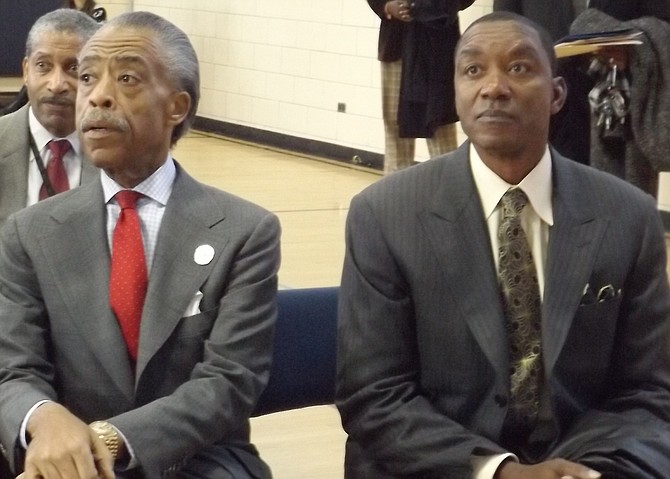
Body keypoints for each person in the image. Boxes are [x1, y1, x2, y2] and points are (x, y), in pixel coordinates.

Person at [336, 11, 670, 479]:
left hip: (587, 457)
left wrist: (584, 469)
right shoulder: (383, 214)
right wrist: (500, 471)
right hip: (439, 462)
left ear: (556, 95)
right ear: (456, 92)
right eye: (473, 70)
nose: (493, 87)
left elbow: (646, 390)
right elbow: (372, 395)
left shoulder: (629, 216)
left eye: (518, 68)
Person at [0, 11, 279, 479]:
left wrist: (106, 441)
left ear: (177, 106)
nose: (96, 95)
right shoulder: (30, 231)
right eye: (88, 77)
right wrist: (44, 421)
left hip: (191, 457)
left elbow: (228, 384)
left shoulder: (244, 231)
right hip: (55, 458)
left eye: (126, 78)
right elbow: (14, 367)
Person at [0, 9, 99, 230]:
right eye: (43, 66)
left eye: (74, 68)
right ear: (26, 71)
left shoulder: (122, 157)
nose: (56, 84)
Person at [367, 0, 473, 174]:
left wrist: (432, 7)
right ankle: (395, 190)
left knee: (439, 120)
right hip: (396, 45)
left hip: (437, 45)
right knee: (394, 122)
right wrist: (386, 6)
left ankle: (449, 188)